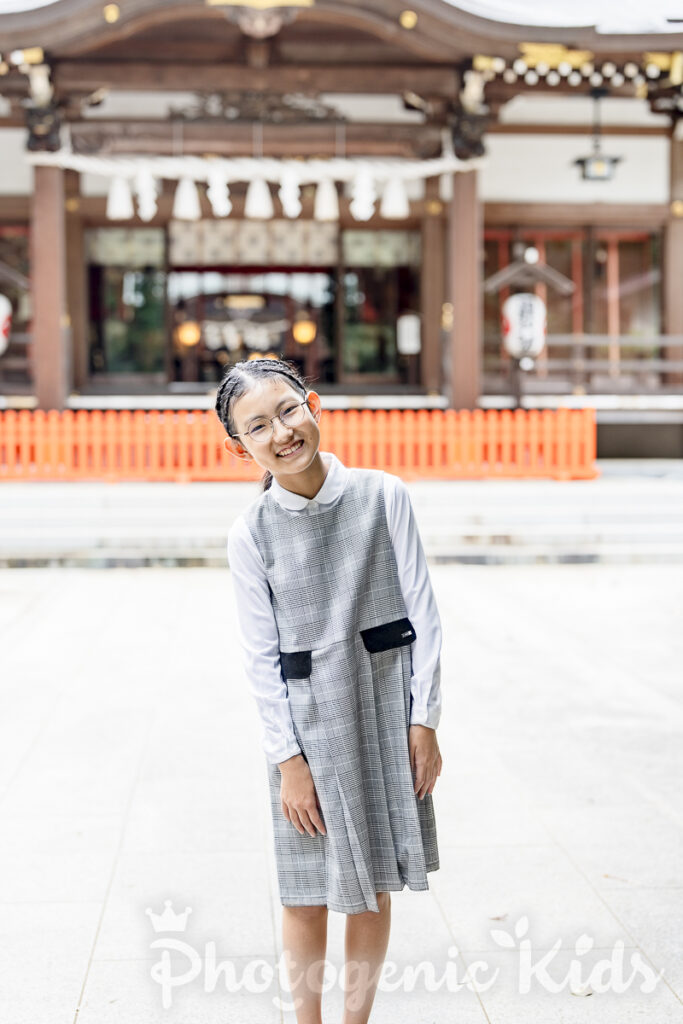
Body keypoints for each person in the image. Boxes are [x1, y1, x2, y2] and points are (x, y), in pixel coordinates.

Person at [215, 357, 443, 1024]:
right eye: (258, 426)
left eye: (288, 411)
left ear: (312, 405)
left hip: (384, 710)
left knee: (373, 883)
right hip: (307, 728)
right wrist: (287, 761)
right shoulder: (250, 534)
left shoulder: (383, 495)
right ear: (240, 447)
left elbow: (424, 614)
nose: (281, 433)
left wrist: (425, 720)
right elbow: (260, 658)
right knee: (304, 891)